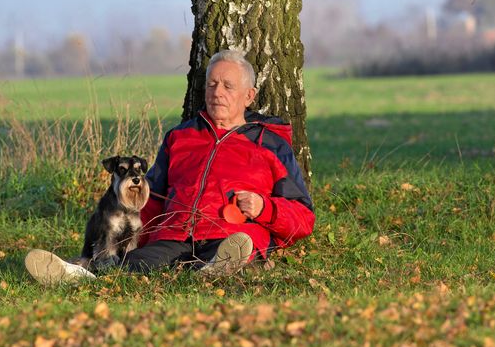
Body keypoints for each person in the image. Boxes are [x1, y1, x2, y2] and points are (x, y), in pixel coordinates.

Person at [25, 49, 315, 284]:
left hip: (231, 234)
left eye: (228, 86)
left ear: (249, 96)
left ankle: (219, 268)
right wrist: (122, 239)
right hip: (175, 235)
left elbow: (303, 216)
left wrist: (265, 208)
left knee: (235, 249)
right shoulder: (180, 137)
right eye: (212, 84)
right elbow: (150, 201)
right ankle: (78, 273)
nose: (217, 92)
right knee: (129, 266)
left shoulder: (272, 145)